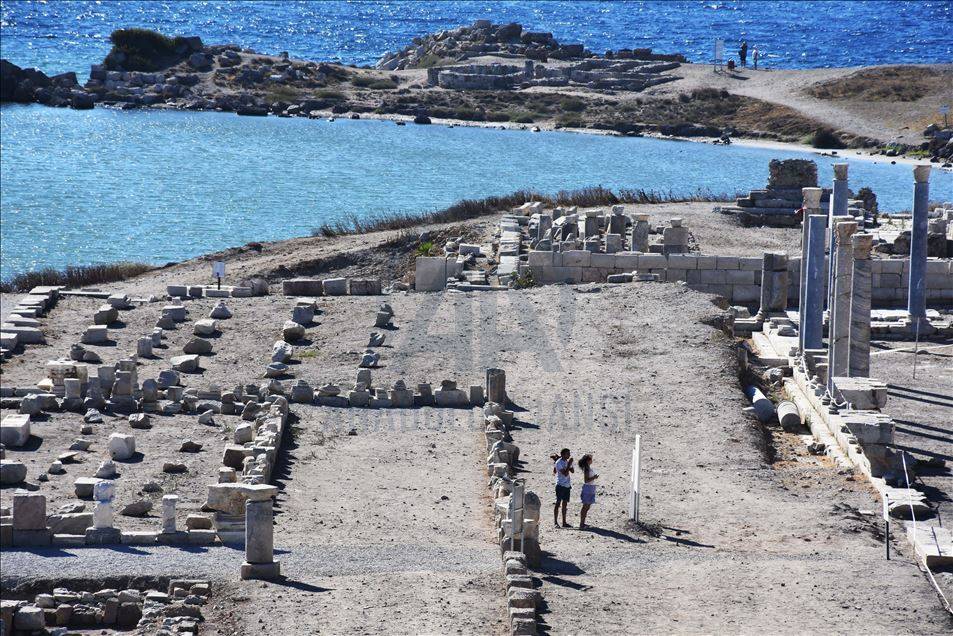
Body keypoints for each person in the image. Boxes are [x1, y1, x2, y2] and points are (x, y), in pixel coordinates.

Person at [551, 448, 573, 527]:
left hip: (567, 485)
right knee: (558, 503)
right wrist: (569, 464)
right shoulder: (558, 463)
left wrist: (569, 464)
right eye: (568, 454)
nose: (569, 455)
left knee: (565, 504)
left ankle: (564, 522)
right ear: (563, 454)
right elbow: (565, 474)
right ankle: (555, 522)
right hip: (560, 485)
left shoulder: (566, 462)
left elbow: (572, 471)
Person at [578, 454, 598, 529]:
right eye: (591, 459)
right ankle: (581, 524)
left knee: (587, 506)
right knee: (585, 506)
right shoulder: (586, 469)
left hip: (591, 488)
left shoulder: (588, 468)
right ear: (588, 460)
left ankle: (583, 523)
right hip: (588, 488)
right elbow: (586, 480)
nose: (592, 460)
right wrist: (594, 477)